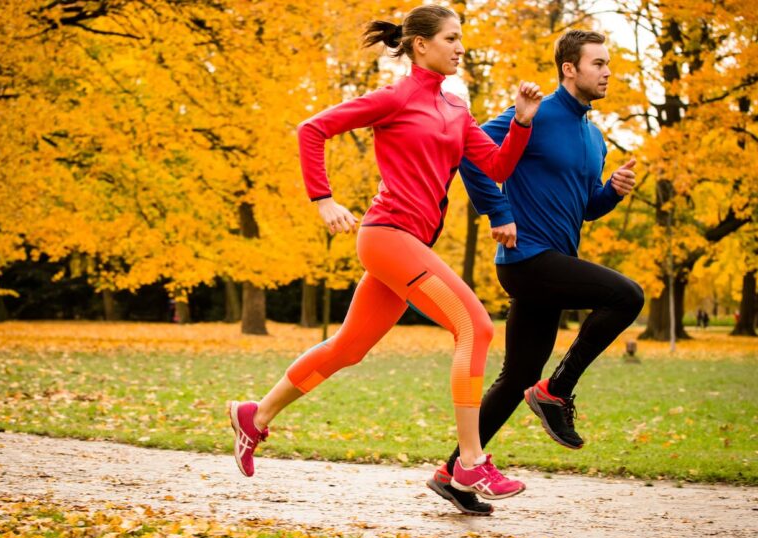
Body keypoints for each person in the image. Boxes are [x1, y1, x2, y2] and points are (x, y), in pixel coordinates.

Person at [227, 5, 543, 501]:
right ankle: (471, 463)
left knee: (349, 348)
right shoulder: (394, 97)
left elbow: (498, 166)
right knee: (475, 327)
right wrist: (323, 198)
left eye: (462, 39)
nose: (461, 47)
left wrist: (522, 121)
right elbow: (312, 130)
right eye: (451, 38)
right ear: (421, 45)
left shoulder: (457, 109)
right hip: (387, 234)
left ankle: (256, 414)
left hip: (410, 244)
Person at [427, 29, 645, 515]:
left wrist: (611, 191)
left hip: (550, 263)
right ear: (569, 68)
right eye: (599, 63)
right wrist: (498, 212)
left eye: (609, 64)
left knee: (516, 375)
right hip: (527, 259)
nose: (607, 72)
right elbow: (471, 153)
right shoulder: (538, 112)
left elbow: (585, 207)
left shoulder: (594, 136)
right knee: (627, 296)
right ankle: (555, 392)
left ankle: (453, 474)